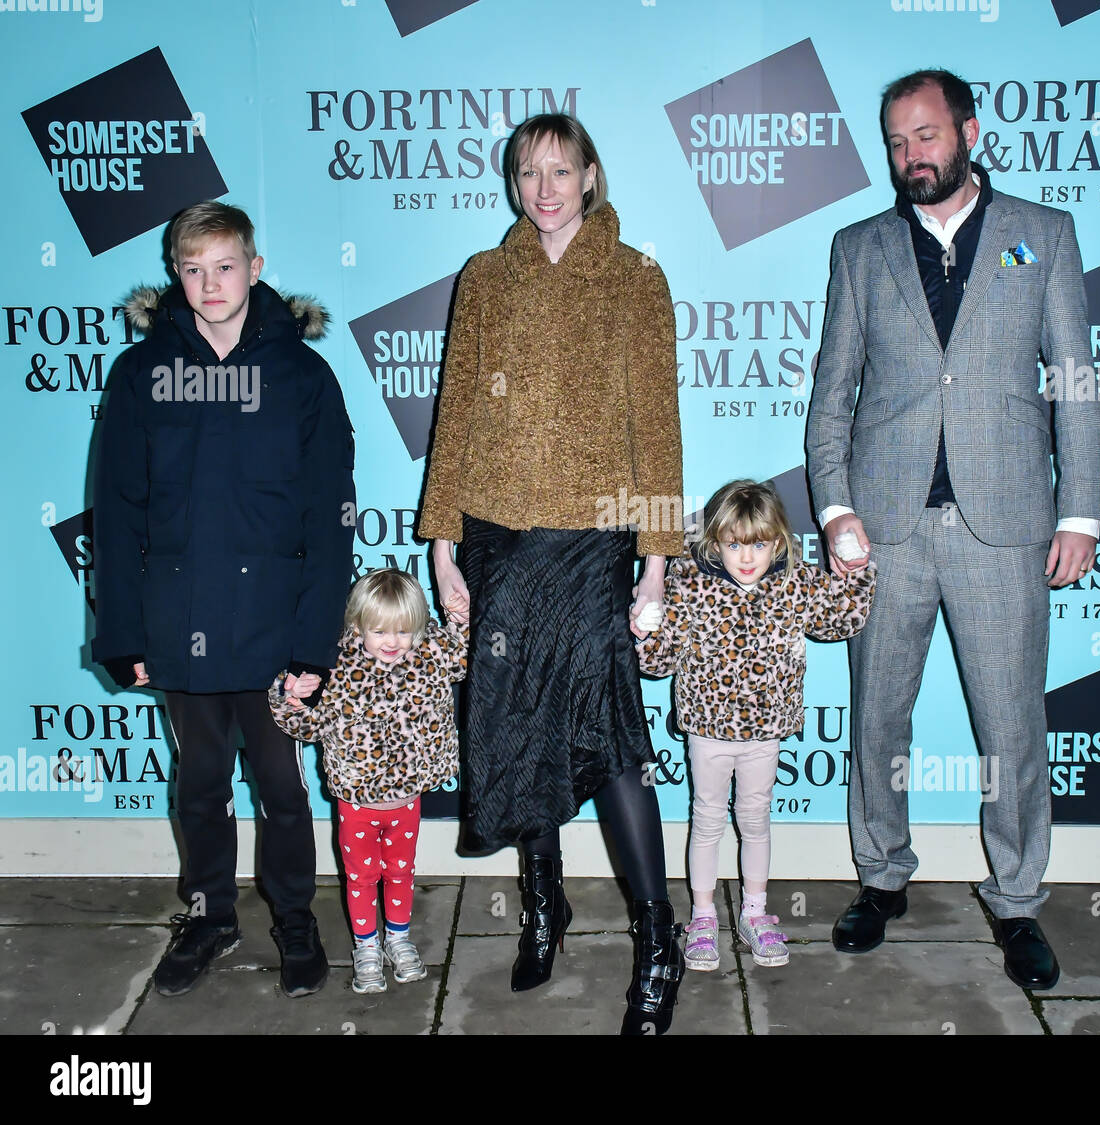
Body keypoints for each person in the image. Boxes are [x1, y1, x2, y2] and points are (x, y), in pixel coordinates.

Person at [805, 69, 1100, 990]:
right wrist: (835, 507)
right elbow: (831, 395)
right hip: (884, 530)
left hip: (1006, 525)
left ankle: (1016, 900)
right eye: (897, 143)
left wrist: (1081, 510)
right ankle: (881, 876)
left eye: (927, 137)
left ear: (969, 131)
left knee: (1011, 724)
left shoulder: (1041, 235)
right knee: (878, 717)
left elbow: (1078, 383)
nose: (912, 158)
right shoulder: (858, 248)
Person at [417, 113, 687, 1033]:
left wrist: (655, 565)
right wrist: (443, 543)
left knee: (610, 734)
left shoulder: (636, 279)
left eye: (560, 170)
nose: (544, 187)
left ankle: (659, 938)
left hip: (594, 542)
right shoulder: (484, 278)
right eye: (529, 171)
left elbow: (660, 432)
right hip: (495, 535)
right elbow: (453, 413)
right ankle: (545, 905)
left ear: (591, 175)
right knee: (517, 726)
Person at [92, 201, 356, 998]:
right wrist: (121, 630)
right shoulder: (142, 374)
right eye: (193, 268)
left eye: (225, 266)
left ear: (256, 267)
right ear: (177, 274)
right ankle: (208, 917)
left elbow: (329, 518)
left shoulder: (304, 376)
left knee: (281, 786)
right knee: (200, 782)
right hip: (179, 623)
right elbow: (117, 510)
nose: (210, 283)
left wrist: (316, 644)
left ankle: (296, 920)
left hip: (275, 630)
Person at [635, 480, 874, 972]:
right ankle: (702, 917)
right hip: (707, 728)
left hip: (766, 731)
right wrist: (648, 628)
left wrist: (854, 571)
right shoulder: (689, 583)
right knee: (706, 821)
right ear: (715, 542)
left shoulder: (794, 582)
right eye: (734, 544)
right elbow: (657, 664)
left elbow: (841, 619)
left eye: (760, 544)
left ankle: (754, 912)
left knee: (756, 821)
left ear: (779, 540)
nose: (747, 557)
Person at [267, 569, 467, 994]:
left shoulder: (430, 652)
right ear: (357, 625)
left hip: (407, 799)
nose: (392, 642)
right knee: (360, 877)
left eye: (402, 631)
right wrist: (292, 696)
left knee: (400, 872)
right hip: (356, 801)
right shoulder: (337, 666)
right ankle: (366, 946)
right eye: (379, 631)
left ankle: (397, 938)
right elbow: (309, 726)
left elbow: (463, 656)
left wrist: (462, 620)